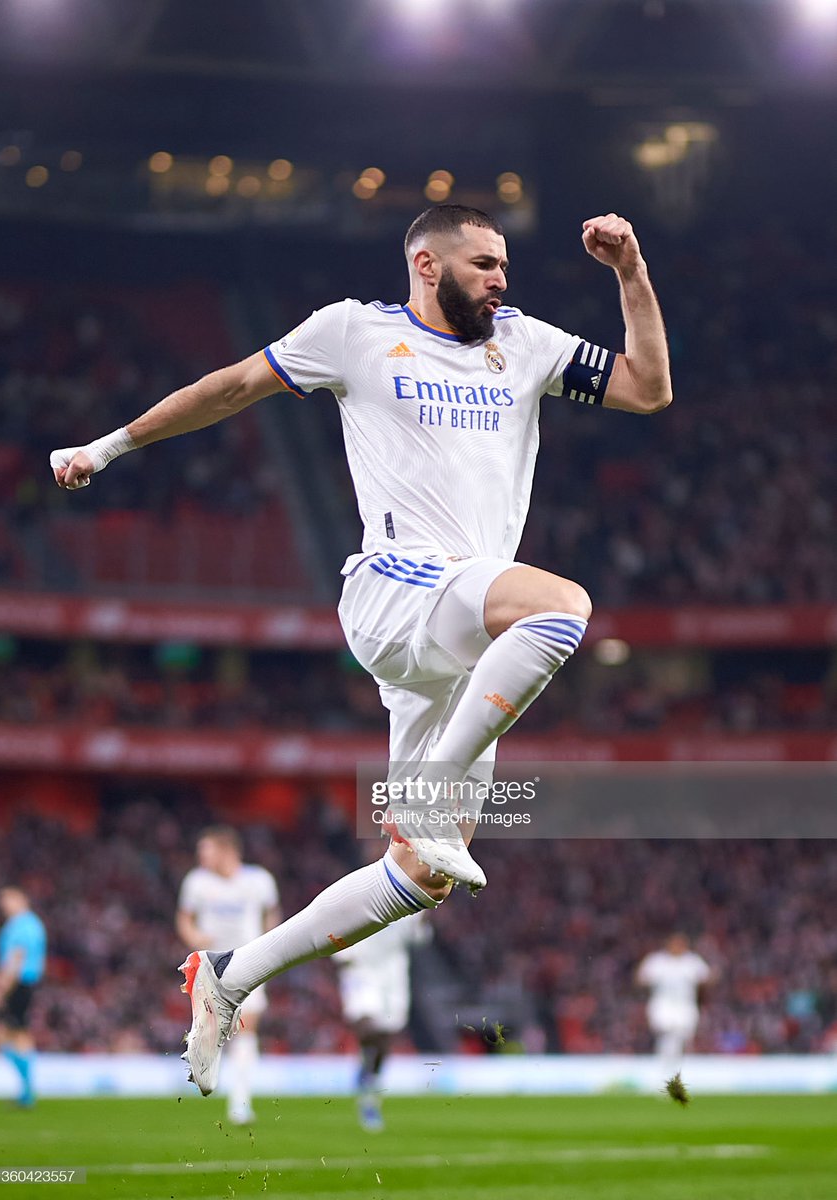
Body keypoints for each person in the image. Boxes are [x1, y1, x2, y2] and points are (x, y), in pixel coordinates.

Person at [50, 204, 672, 1096]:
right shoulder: (351, 334)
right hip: (397, 587)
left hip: (461, 643)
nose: (503, 277)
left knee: (422, 879)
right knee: (561, 607)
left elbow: (648, 387)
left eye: (504, 263)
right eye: (485, 263)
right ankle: (419, 794)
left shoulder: (525, 344)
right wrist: (107, 447)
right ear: (427, 263)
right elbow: (230, 386)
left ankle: (229, 975)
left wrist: (631, 272)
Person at [176, 826, 281, 1123]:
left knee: (246, 1028)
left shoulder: (258, 880)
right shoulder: (196, 882)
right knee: (214, 1030)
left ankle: (240, 1100)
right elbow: (184, 920)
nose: (200, 857)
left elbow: (272, 914)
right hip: (211, 965)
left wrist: (268, 944)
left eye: (205, 850)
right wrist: (195, 937)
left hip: (250, 961)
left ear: (226, 850)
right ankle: (213, 1085)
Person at [336, 906, 429, 1131]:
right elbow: (337, 931)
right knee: (369, 1027)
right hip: (361, 972)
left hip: (393, 978)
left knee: (385, 1038)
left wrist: (424, 917)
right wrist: (342, 953)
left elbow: (418, 937)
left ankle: (368, 1085)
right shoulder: (360, 896)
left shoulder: (411, 902)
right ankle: (367, 1075)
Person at [0, 886, 47, 1107]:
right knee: (11, 1033)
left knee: (10, 1033)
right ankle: (26, 1088)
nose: (4, 905)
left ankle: (27, 1090)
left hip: (18, 983)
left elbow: (16, 958)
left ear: (22, 899)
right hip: (22, 983)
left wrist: (0, 987)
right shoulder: (27, 923)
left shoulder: (23, 925)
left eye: (9, 900)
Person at [636, 932, 712, 1079]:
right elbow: (640, 978)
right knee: (669, 1034)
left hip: (685, 1006)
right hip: (662, 1005)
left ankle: (670, 1071)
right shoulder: (657, 961)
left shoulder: (692, 961)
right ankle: (668, 1072)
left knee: (682, 1039)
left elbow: (707, 978)